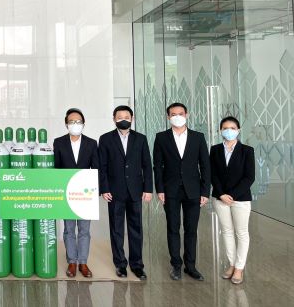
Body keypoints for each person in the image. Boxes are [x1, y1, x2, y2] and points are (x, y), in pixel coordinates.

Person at [153, 103, 211, 281]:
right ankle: (176, 265)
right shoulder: (161, 137)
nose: (177, 116)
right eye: (173, 114)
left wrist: (205, 191)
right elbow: (158, 166)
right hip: (170, 190)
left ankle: (190, 266)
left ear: (187, 115)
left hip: (193, 190)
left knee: (191, 229)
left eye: (180, 113)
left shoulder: (198, 137)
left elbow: (205, 165)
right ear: (168, 117)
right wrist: (160, 189)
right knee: (173, 228)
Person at [99, 105, 152, 280]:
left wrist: (148, 189)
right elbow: (102, 166)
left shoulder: (141, 138)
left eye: (127, 117)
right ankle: (120, 264)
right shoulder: (105, 139)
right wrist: (104, 188)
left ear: (132, 118)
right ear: (114, 119)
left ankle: (137, 265)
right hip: (114, 191)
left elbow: (146, 165)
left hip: (136, 190)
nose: (123, 119)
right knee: (117, 229)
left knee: (136, 229)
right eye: (120, 117)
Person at [54, 108, 100, 278]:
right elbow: (56, 169)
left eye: (78, 121)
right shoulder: (59, 142)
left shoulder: (91, 143)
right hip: (67, 193)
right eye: (72, 121)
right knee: (68, 229)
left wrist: (96, 190)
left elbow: (96, 168)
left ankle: (83, 262)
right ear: (66, 124)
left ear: (83, 124)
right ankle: (72, 262)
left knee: (84, 230)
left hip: (85, 194)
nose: (75, 124)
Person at [210, 116, 255, 285]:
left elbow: (249, 177)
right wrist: (221, 194)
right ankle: (232, 264)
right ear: (220, 130)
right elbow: (212, 174)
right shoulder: (215, 150)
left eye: (232, 128)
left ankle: (239, 268)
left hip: (240, 199)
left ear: (238, 130)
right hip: (220, 197)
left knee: (241, 233)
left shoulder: (247, 150)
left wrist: (233, 195)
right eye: (225, 128)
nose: (229, 131)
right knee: (227, 231)